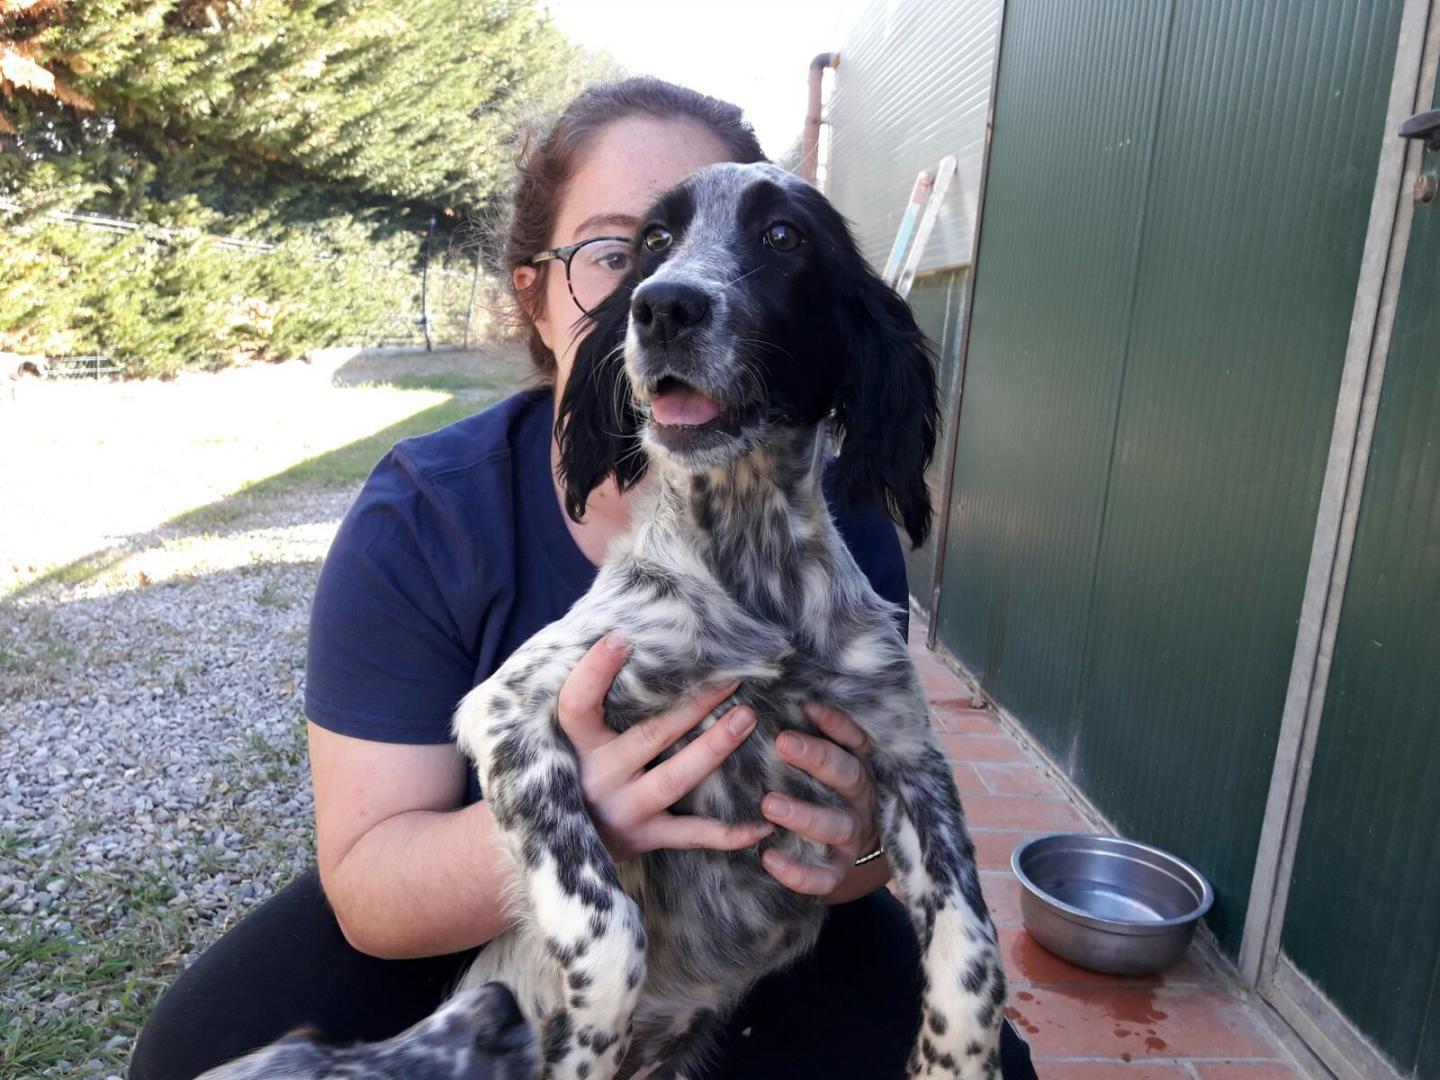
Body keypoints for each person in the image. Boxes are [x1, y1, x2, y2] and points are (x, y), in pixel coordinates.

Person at [131, 77, 1035, 1080]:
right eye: (627, 251)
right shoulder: (427, 515)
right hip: (510, 921)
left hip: (750, 938)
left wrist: (861, 847)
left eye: (770, 242)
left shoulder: (846, 523)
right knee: (200, 1050)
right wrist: (590, 826)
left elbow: (879, 815)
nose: (675, 289)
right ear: (536, 294)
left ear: (828, 319)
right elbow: (372, 885)